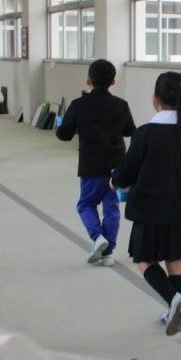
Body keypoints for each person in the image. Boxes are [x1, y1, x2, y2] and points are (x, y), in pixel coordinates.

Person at [111, 71, 181, 336]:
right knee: (176, 259)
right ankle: (174, 311)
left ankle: (173, 299)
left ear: (155, 99)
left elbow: (126, 173)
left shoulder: (145, 134)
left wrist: (115, 181)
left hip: (150, 211)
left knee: (144, 259)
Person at [56, 59, 136, 267]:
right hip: (117, 166)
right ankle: (108, 253)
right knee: (112, 209)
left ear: (88, 80)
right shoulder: (121, 105)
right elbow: (130, 131)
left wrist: (64, 125)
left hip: (91, 166)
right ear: (113, 82)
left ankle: (97, 236)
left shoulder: (78, 105)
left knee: (86, 204)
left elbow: (64, 134)